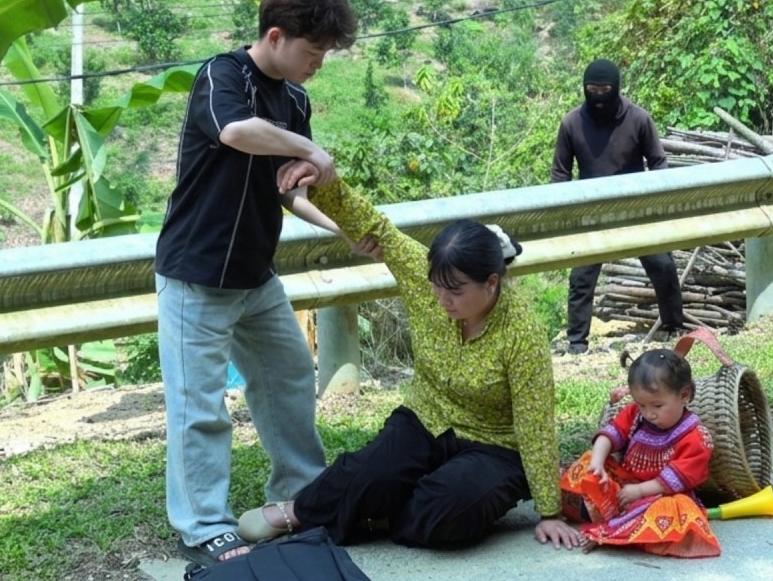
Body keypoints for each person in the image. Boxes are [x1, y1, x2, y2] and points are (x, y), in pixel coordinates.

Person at [153, 0, 379, 569]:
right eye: (312, 52)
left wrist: (343, 229)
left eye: (325, 54)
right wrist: (310, 150)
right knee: (200, 406)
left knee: (289, 379)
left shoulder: (295, 101)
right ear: (275, 36)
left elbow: (289, 191)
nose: (318, 64)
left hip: (256, 276)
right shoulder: (221, 76)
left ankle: (301, 496)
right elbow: (236, 131)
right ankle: (203, 525)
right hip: (196, 275)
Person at [235, 168, 585, 552]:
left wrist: (550, 512)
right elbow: (375, 227)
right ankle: (299, 511)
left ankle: (381, 516)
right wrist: (323, 180)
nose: (443, 300)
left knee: (450, 508)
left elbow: (535, 424)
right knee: (369, 473)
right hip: (426, 417)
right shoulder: (422, 275)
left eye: (455, 292)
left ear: (491, 282)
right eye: (437, 287)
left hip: (494, 445)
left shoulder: (523, 332)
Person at [551, 58, 685, 354]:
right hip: (591, 213)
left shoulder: (638, 119)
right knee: (581, 278)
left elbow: (658, 162)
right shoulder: (571, 123)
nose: (599, 96)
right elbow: (560, 174)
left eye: (605, 90)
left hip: (635, 210)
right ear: (584, 88)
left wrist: (657, 204)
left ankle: (673, 327)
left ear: (616, 88)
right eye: (592, 90)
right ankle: (577, 342)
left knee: (663, 266)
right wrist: (563, 217)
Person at [559, 347, 721, 557]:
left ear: (684, 395)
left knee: (676, 509)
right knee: (588, 461)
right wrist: (597, 464)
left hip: (658, 496)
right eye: (642, 405)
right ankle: (601, 511)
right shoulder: (636, 415)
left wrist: (640, 491)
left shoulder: (696, 437)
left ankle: (612, 529)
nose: (649, 414)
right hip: (622, 488)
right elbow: (608, 436)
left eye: (657, 406)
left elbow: (675, 480)